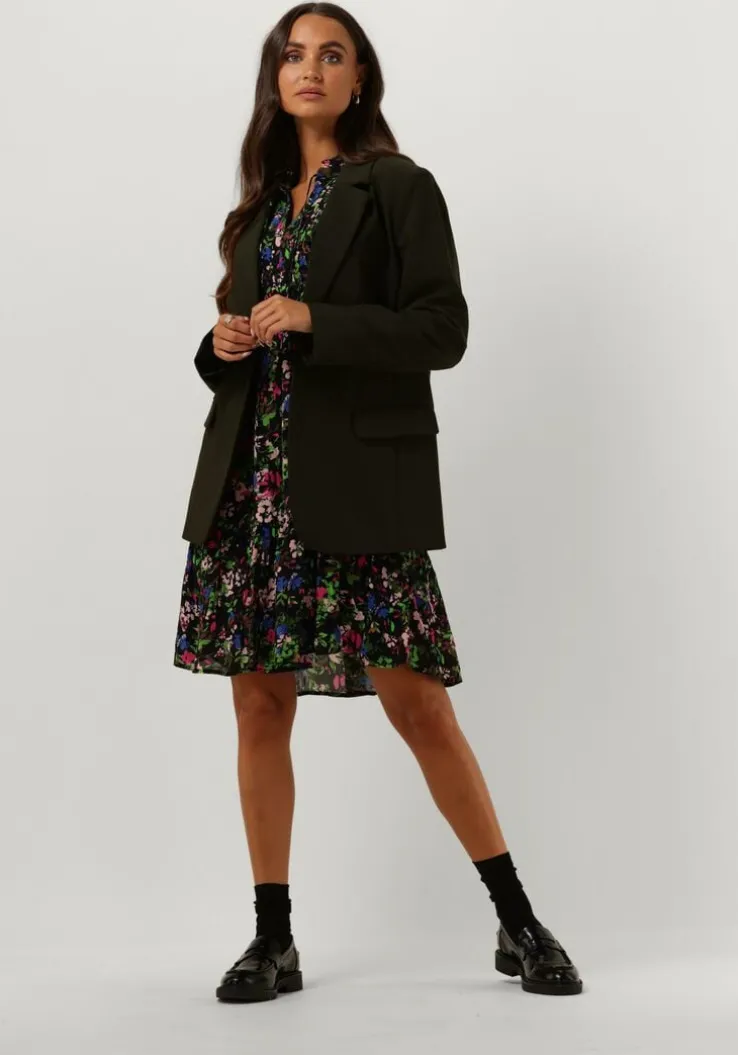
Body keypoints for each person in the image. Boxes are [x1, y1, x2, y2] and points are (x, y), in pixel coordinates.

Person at [173, 1, 583, 1002]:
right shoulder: (257, 213)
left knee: (419, 703)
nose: (309, 68)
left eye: (332, 54)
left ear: (360, 80)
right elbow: (237, 351)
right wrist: (220, 343)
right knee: (258, 704)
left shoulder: (398, 186)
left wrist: (318, 318)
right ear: (275, 79)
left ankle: (518, 919)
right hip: (252, 493)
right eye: (293, 55)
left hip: (355, 486)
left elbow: (442, 329)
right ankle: (273, 936)